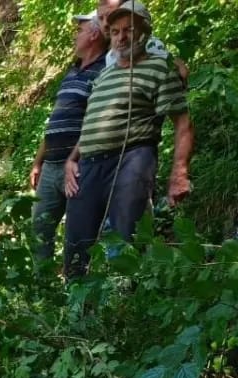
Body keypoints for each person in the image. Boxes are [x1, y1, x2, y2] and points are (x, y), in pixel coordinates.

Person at [62, 0, 193, 276]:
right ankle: (74, 300)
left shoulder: (159, 68)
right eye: (115, 31)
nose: (121, 37)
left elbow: (182, 123)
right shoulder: (104, 75)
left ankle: (127, 297)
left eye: (129, 30)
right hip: (88, 167)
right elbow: (92, 124)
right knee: (76, 244)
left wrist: (179, 173)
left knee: (126, 242)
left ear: (145, 32)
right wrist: (72, 160)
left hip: (132, 158)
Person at [30, 10, 109, 262]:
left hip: (78, 168)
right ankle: (41, 282)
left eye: (80, 30)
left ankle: (75, 280)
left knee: (77, 236)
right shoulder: (72, 71)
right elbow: (56, 120)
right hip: (50, 167)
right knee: (39, 229)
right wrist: (38, 161)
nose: (75, 35)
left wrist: (75, 158)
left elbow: (96, 121)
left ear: (94, 34)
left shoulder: (104, 71)